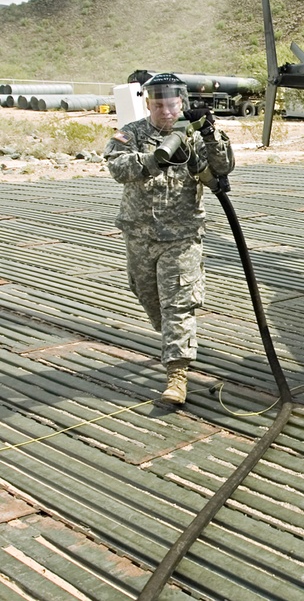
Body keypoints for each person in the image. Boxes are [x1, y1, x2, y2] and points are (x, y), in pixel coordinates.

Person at [104, 73, 235, 405]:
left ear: (182, 103)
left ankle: (177, 376)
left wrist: (209, 132)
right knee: (145, 292)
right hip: (139, 234)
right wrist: (154, 159)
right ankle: (175, 341)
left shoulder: (193, 136)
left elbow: (223, 168)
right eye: (158, 104)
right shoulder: (131, 133)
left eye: (171, 104)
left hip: (182, 235)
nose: (165, 111)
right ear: (149, 104)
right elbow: (118, 168)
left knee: (178, 304)